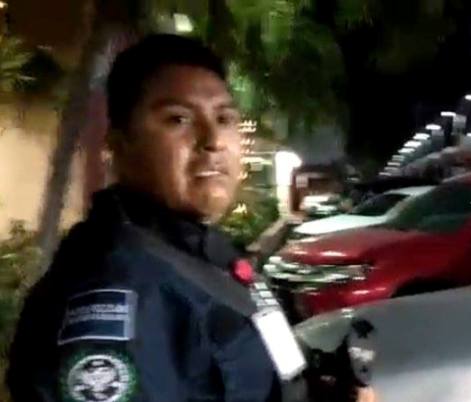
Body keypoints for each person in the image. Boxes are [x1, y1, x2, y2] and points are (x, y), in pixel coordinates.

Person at [7, 34, 282, 402]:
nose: (214, 140)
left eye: (224, 118)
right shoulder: (116, 291)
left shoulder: (198, 250)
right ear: (119, 145)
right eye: (178, 119)